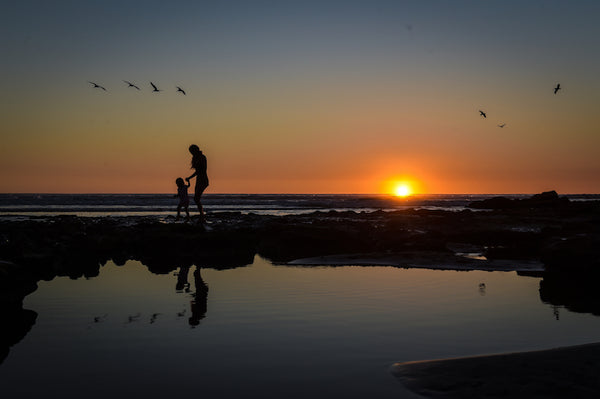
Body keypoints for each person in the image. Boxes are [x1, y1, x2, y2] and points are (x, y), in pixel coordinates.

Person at [185, 144, 209, 222]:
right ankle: (202, 216)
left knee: (196, 198)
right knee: (196, 199)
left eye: (192, 151)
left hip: (203, 179)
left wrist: (189, 177)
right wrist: (190, 178)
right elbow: (197, 171)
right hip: (199, 180)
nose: (191, 153)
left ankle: (202, 217)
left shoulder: (202, 158)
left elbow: (200, 171)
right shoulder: (197, 158)